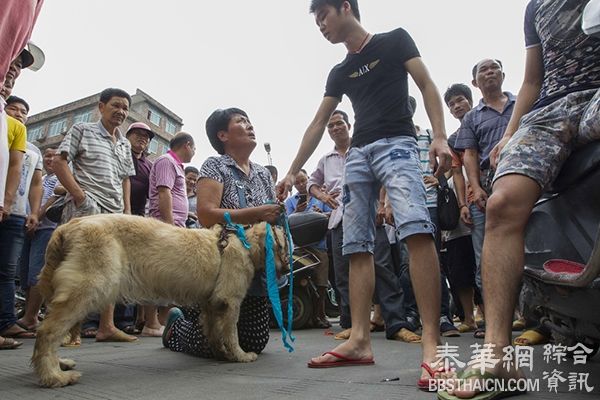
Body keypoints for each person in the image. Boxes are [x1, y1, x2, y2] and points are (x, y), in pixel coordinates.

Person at [276, 1, 451, 385]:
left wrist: (438, 135)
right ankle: (358, 339)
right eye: (316, 20)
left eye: (323, 15)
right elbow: (319, 121)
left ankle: (432, 346)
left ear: (344, 7)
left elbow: (425, 84)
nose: (320, 24)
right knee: (355, 245)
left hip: (399, 145)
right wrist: (291, 170)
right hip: (359, 155)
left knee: (417, 230)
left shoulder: (394, 41)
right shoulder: (339, 71)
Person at [441, 2, 600, 398]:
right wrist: (511, 134)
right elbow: (534, 80)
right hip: (551, 109)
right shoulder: (536, 7)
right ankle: (498, 357)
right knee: (502, 203)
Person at [163, 107, 281, 358]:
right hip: (220, 260)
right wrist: (258, 212)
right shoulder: (215, 165)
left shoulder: (262, 173)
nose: (249, 125)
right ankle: (176, 327)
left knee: (255, 340)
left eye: (249, 120)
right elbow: (206, 215)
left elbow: (270, 219)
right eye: (240, 121)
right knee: (214, 341)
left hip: (254, 265)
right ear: (223, 135)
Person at [309, 110, 422, 343]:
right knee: (342, 273)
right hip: (339, 219)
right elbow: (312, 182)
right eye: (330, 126)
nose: (335, 128)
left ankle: (396, 323)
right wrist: (322, 196)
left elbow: (382, 175)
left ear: (349, 126)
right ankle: (352, 325)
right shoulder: (325, 160)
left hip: (369, 213)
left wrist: (382, 204)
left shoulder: (365, 147)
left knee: (382, 267)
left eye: (339, 123)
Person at [54, 87, 137, 343]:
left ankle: (107, 326)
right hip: (87, 209)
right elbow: (59, 161)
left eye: (125, 107)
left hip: (115, 214)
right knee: (78, 270)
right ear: (101, 107)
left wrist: (127, 211)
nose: (121, 111)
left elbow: (125, 179)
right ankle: (69, 329)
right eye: (116, 105)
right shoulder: (82, 129)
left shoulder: (124, 142)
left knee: (113, 270)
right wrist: (80, 196)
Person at [453, 59, 516, 297]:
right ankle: (493, 317)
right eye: (483, 70)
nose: (490, 72)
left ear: (503, 74)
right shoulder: (472, 118)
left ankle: (532, 316)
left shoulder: (520, 105)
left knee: (527, 246)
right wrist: (476, 188)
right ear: (475, 82)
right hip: (486, 191)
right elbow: (469, 155)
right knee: (485, 254)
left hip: (522, 184)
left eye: (494, 68)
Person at [0, 45, 44, 348]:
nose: (19, 114)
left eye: (24, 111)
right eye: (15, 108)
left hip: (13, 211)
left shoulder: (23, 137)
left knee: (7, 269)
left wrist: (29, 209)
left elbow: (30, 178)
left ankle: (5, 321)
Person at [1, 2, 45, 225]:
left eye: (20, 65)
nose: (14, 69)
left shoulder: (18, 131)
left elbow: (19, 170)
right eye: (13, 59)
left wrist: (6, 202)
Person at [441, 84, 480, 334]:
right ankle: (469, 317)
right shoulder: (453, 140)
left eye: (461, 100)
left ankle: (500, 314)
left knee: (487, 258)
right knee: (461, 264)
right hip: (463, 207)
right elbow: (455, 173)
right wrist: (461, 204)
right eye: (452, 104)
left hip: (490, 199)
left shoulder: (485, 124)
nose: (457, 106)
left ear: (470, 100)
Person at [17, 148, 58, 332]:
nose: (50, 159)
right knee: (24, 271)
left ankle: (31, 316)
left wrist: (37, 216)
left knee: (37, 272)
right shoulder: (40, 178)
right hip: (29, 227)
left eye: (53, 156)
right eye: (47, 156)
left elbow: (54, 199)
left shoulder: (60, 179)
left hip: (46, 228)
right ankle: (28, 312)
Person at [285, 169, 332, 328]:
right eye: (297, 182)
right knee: (302, 281)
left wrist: (322, 215)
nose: (301, 184)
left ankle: (321, 314)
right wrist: (296, 212)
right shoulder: (290, 202)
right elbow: (284, 222)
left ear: (309, 179)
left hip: (319, 245)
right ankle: (310, 315)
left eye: (303, 180)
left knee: (321, 283)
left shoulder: (321, 198)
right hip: (299, 248)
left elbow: (332, 213)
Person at [124, 121, 155, 335]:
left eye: (146, 137)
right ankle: (93, 322)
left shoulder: (148, 165)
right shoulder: (120, 153)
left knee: (131, 270)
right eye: (138, 134)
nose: (142, 139)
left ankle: (126, 320)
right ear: (128, 136)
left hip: (137, 218)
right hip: (115, 213)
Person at [149, 133, 195, 228]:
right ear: (187, 145)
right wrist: (170, 226)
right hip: (166, 226)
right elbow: (164, 193)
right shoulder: (167, 161)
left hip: (176, 224)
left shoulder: (176, 165)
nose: (194, 153)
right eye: (194, 149)